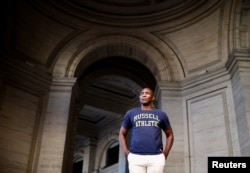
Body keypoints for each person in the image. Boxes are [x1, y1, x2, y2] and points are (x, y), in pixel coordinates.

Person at [119, 87, 174, 173]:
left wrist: (165, 153)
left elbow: (170, 134)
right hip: (135, 156)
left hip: (156, 157)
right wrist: (126, 152)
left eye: (147, 93)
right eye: (142, 93)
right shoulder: (131, 113)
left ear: (153, 98)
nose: (144, 95)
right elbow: (122, 133)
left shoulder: (161, 114)